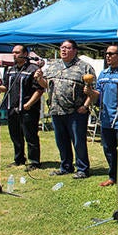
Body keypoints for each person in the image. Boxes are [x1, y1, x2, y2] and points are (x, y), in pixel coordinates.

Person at [35, 40, 96, 179]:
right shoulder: (53, 66)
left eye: (67, 48)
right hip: (56, 110)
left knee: (78, 141)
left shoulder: (84, 67)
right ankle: (66, 166)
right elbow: (47, 85)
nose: (63, 50)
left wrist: (85, 106)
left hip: (76, 111)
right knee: (61, 141)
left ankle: (82, 168)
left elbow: (93, 90)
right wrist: (39, 79)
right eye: (62, 48)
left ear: (75, 51)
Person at [84, 44, 118, 191]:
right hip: (107, 118)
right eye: (106, 53)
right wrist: (90, 91)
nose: (108, 56)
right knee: (108, 148)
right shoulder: (103, 74)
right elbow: (98, 95)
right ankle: (113, 176)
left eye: (111, 53)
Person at [0, 45, 44, 171]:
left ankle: (34, 161)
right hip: (12, 107)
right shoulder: (10, 69)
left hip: (28, 108)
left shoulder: (33, 69)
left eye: (17, 52)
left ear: (25, 54)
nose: (14, 54)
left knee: (30, 135)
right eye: (13, 52)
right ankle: (19, 159)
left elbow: (39, 89)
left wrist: (30, 104)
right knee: (15, 135)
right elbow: (6, 87)